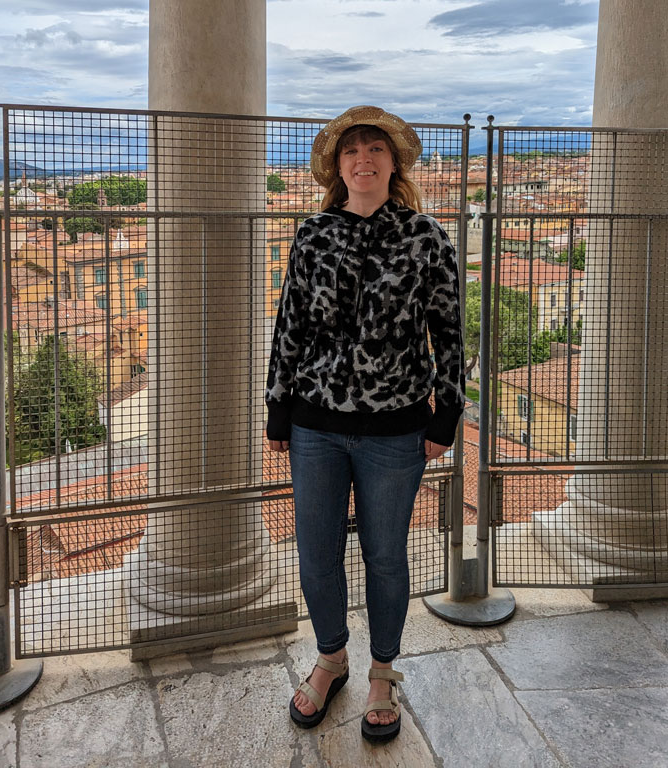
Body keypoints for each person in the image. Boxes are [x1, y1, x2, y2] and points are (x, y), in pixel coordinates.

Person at [266, 105, 464, 744]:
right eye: (352, 151)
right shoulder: (312, 235)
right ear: (339, 168)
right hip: (315, 426)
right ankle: (330, 658)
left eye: (376, 149)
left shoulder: (427, 237)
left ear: (394, 164)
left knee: (384, 555)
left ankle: (382, 670)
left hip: (396, 431)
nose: (364, 159)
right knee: (316, 551)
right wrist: (279, 410)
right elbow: (290, 326)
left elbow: (450, 334)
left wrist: (448, 415)